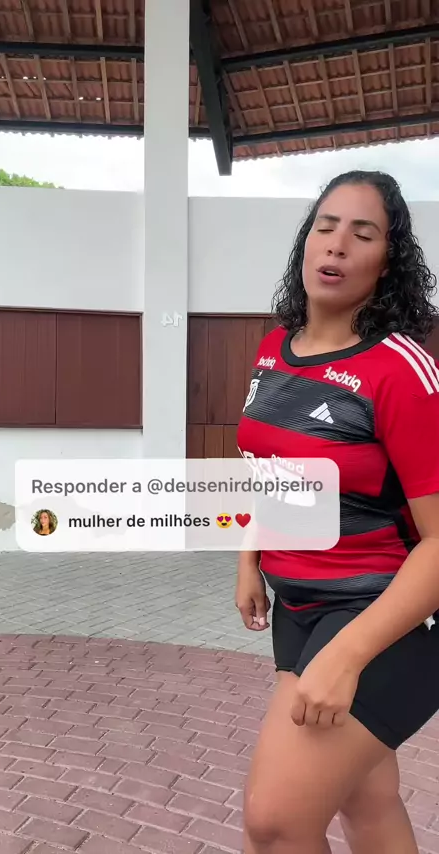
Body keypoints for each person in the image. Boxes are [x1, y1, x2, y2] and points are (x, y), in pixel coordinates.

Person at [235, 170, 439, 854]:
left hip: (380, 617)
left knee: (275, 825)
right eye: (325, 226)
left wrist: (348, 654)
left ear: (388, 260)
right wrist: (249, 560)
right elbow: (269, 470)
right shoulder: (275, 348)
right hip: (299, 610)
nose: (338, 243)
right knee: (368, 802)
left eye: (363, 233)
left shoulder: (401, 371)